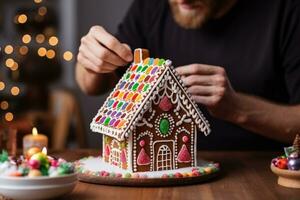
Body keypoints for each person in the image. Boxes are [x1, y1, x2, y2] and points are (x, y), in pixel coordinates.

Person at [76, 0, 300, 150]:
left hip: (262, 174)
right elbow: (91, 86)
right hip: (163, 175)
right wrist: (92, 62)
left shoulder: (286, 10)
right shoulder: (151, 7)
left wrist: (238, 109)